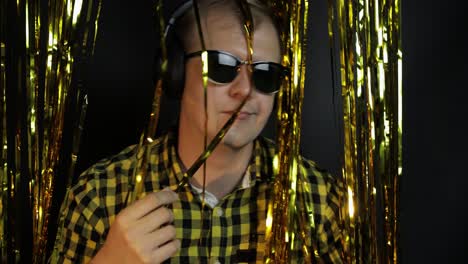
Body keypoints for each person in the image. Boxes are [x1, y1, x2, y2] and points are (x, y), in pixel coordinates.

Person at [51, 0, 345, 263]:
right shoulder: (101, 193)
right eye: (221, 66)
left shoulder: (320, 197)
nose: (245, 90)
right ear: (174, 73)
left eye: (265, 73)